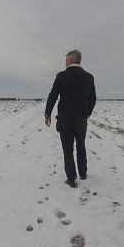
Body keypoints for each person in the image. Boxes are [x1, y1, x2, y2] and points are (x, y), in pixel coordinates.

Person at [45, 49, 97, 188]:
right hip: (81, 119)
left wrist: (47, 114)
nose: (64, 63)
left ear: (69, 61)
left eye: (65, 60)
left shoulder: (61, 76)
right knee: (81, 145)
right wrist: (87, 113)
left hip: (65, 118)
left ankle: (72, 178)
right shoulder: (89, 77)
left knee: (67, 149)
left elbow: (52, 96)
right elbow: (92, 99)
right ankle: (83, 172)